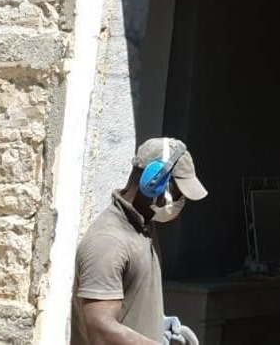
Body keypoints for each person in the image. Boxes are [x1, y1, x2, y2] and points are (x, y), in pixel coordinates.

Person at [71, 138, 207, 345]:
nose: (180, 202)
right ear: (154, 180)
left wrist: (157, 323)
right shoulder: (108, 242)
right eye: (178, 192)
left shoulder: (143, 229)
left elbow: (130, 306)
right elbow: (100, 331)